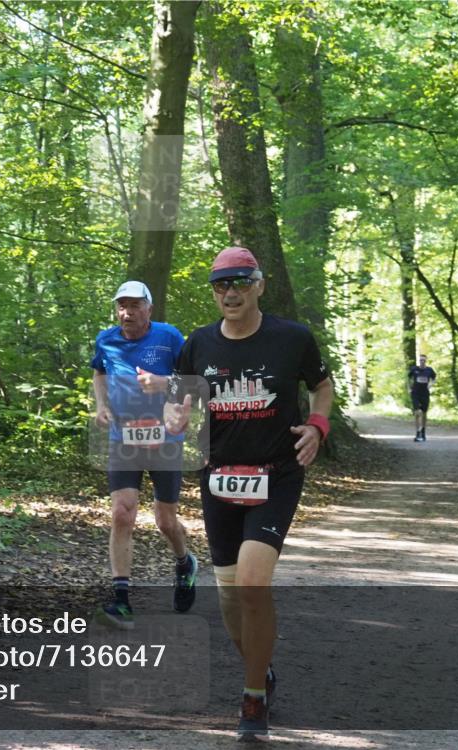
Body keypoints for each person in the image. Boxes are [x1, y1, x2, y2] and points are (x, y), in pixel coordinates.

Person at [165, 247, 333, 740]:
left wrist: (317, 427)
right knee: (230, 597)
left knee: (253, 584)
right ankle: (262, 670)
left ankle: (253, 697)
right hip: (219, 477)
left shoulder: (292, 338)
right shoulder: (198, 344)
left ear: (259, 285)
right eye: (222, 285)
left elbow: (322, 387)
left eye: (241, 282)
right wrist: (175, 417)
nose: (231, 293)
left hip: (277, 475)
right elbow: (178, 400)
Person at [91, 280, 198, 630]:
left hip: (165, 439)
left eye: (135, 305)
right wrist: (101, 405)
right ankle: (121, 601)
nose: (127, 312)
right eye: (122, 305)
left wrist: (164, 384)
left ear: (149, 308)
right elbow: (99, 372)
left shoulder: (169, 337)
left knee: (165, 521)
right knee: (122, 513)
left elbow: (191, 381)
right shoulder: (106, 339)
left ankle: (184, 562)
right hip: (124, 439)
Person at [408, 354, 436, 442]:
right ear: (419, 361)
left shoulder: (429, 370)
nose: (422, 361)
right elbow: (409, 378)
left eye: (424, 360)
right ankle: (418, 432)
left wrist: (430, 385)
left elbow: (434, 378)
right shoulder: (414, 369)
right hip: (415, 393)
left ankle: (423, 432)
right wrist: (409, 388)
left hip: (425, 394)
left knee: (424, 413)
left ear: (426, 361)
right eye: (421, 360)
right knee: (417, 412)